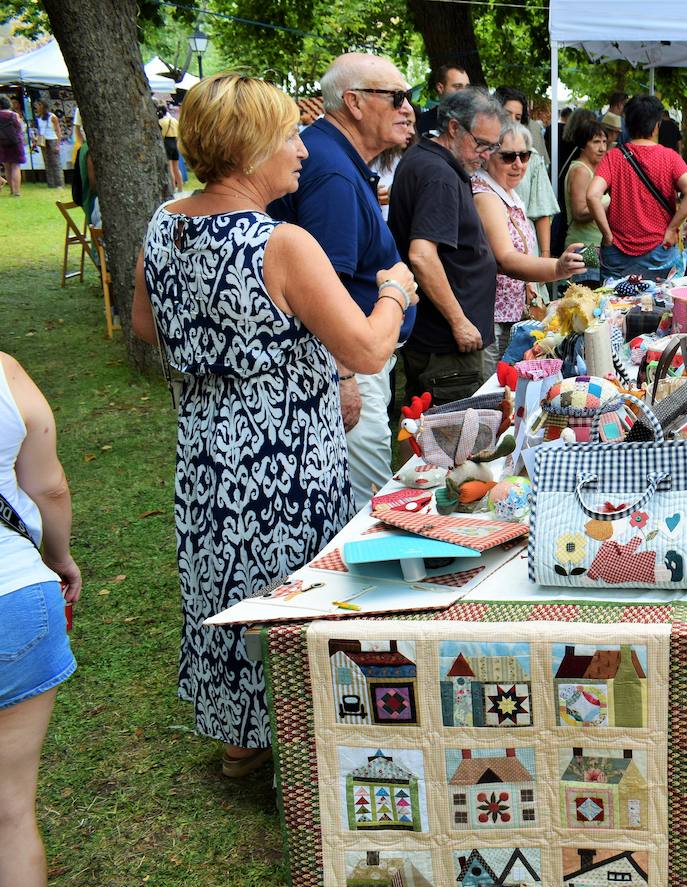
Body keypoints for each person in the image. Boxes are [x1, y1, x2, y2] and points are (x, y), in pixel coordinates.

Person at [131, 73, 416, 778]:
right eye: (289, 134)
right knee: (295, 596)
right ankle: (307, 743)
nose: (300, 149)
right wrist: (392, 290)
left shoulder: (165, 221)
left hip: (204, 450)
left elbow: (145, 326)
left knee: (223, 588)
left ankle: (242, 743)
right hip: (283, 457)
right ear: (251, 146)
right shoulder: (281, 243)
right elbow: (367, 348)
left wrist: (219, 353)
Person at [267, 52, 416, 514]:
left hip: (356, 358)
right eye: (397, 97)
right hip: (350, 361)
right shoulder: (331, 169)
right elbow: (326, 285)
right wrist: (346, 376)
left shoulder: (336, 157)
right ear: (353, 101)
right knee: (369, 508)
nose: (408, 109)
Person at [0, 353, 79, 887]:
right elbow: (48, 487)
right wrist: (60, 557)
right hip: (15, 596)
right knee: (10, 810)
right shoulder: (4, 372)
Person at [389, 90, 500, 403]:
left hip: (438, 342)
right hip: (446, 347)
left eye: (493, 146)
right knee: (456, 442)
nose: (486, 155)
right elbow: (422, 256)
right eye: (481, 143)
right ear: (454, 128)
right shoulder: (438, 173)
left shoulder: (429, 161)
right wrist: (460, 322)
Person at [473, 119, 583, 372]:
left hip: (510, 314)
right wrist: (557, 267)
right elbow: (505, 258)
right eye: (508, 156)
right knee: (496, 391)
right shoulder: (486, 195)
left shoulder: (505, 191)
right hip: (493, 318)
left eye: (524, 155)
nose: (518, 164)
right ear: (488, 156)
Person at [586, 94, 687, 281]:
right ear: (656, 125)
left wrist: (607, 235)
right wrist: (672, 228)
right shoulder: (669, 157)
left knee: (611, 306)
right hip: (660, 251)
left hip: (617, 253)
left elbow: (592, 195)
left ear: (627, 125)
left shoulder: (613, 157)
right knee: (662, 306)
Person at [494, 87, 559, 259]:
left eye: (518, 117)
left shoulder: (531, 158)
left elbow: (542, 211)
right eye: (507, 115)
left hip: (527, 251)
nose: (513, 122)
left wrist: (544, 257)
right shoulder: (481, 154)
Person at [562, 112, 610, 287]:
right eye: (596, 142)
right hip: (585, 247)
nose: (602, 148)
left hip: (595, 246)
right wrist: (609, 204)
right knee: (587, 298)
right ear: (583, 145)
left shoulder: (595, 170)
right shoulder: (581, 171)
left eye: (604, 142)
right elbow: (579, 213)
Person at [415, 60, 469, 137]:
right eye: (458, 86)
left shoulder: (478, 120)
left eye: (467, 87)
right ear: (440, 88)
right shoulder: (422, 122)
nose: (464, 92)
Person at [32, 100, 62, 189]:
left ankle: (59, 184)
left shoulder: (52, 117)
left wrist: (57, 145)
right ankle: (51, 183)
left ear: (43, 106)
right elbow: (39, 130)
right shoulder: (39, 117)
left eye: (38, 105)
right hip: (43, 141)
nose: (37, 108)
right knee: (47, 162)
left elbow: (58, 131)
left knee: (56, 162)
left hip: (52, 139)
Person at [0, 97, 23, 197]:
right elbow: (19, 128)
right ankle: (16, 192)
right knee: (15, 166)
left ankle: (11, 190)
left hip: (2, 143)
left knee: (7, 167)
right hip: (15, 143)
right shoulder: (14, 115)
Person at [156, 103, 182, 193]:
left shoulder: (161, 122)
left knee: (170, 167)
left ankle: (173, 188)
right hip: (175, 142)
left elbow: (161, 135)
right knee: (176, 167)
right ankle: (180, 188)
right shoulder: (174, 120)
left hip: (167, 143)